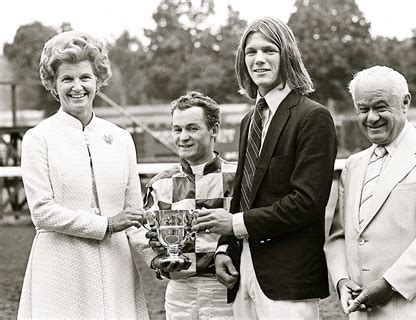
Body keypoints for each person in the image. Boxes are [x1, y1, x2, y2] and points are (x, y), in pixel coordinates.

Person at [192, 17, 337, 319]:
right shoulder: (250, 120)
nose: (258, 59)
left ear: (288, 55)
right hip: (243, 271)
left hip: (287, 280)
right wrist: (224, 248)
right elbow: (245, 195)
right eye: (250, 52)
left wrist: (234, 225)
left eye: (269, 50)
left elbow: (307, 203)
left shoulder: (313, 117)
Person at [18, 31, 153, 319]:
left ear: (97, 81)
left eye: (85, 78)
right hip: (60, 267)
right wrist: (105, 224)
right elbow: (42, 212)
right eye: (67, 79)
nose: (77, 87)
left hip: (116, 268)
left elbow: (133, 216)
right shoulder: (37, 138)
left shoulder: (120, 138)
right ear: (53, 85)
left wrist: (160, 258)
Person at [324, 65, 416, 319]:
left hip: (415, 308)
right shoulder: (353, 166)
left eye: (380, 107)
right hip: (361, 312)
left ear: (405, 102)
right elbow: (338, 236)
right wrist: (342, 281)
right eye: (363, 109)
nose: (371, 118)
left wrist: (388, 285)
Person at [143, 91, 236, 319]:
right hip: (179, 294)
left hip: (227, 292)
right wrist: (157, 259)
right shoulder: (160, 183)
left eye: (192, 128)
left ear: (214, 130)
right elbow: (147, 241)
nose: (183, 137)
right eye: (177, 129)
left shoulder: (239, 177)